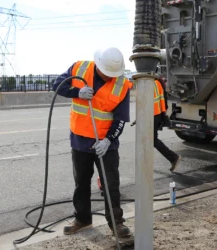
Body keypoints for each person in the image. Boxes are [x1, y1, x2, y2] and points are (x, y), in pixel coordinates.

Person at [52, 47, 132, 238]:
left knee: (110, 184)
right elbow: (57, 85)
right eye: (106, 73)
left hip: (105, 145)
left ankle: (116, 223)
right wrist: (77, 92)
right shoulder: (79, 69)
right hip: (80, 139)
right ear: (99, 65)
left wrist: (108, 140)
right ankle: (82, 218)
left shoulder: (122, 85)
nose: (109, 77)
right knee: (81, 182)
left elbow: (120, 119)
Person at [153, 74, 181, 172]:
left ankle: (173, 158)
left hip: (153, 114)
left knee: (152, 140)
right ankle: (144, 163)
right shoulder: (157, 82)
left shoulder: (152, 83)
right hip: (157, 114)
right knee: (148, 139)